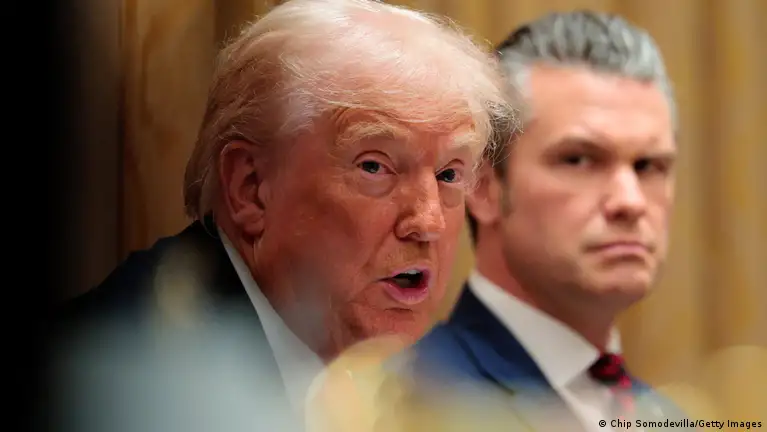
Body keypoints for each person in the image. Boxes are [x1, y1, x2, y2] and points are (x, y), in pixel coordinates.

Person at [45, 0, 519, 431]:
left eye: (449, 174)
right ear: (251, 188)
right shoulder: (135, 382)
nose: (429, 222)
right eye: (375, 166)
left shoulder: (402, 380)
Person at [395, 10, 694, 432]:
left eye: (649, 166)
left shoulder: (673, 419)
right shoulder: (408, 405)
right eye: (579, 160)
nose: (630, 201)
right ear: (482, 188)